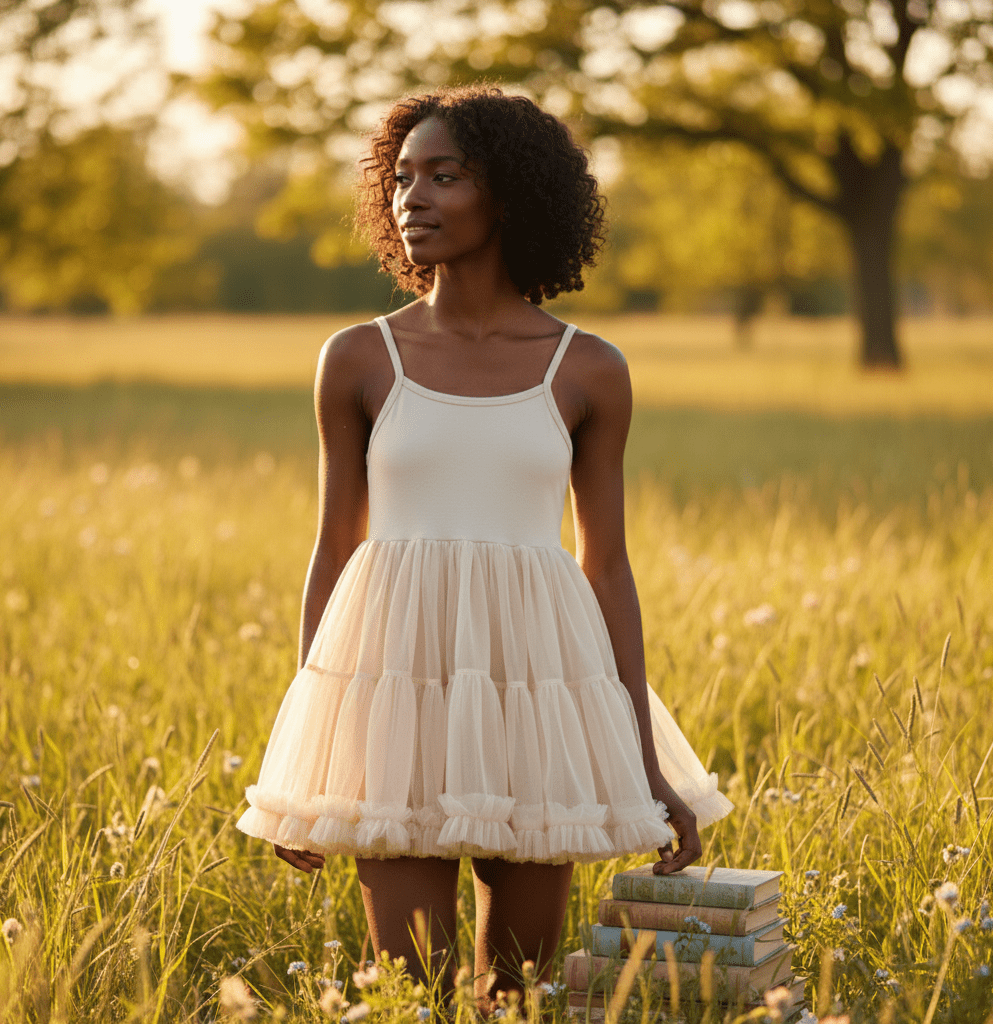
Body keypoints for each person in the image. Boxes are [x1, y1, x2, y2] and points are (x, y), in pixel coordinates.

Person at [235, 84, 733, 1009]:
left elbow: (606, 566)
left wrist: (642, 755)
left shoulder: (588, 369)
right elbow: (334, 551)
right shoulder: (357, 358)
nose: (409, 197)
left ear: (505, 195)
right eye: (400, 178)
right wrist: (305, 748)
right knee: (409, 988)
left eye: (443, 176)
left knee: (522, 991)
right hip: (396, 688)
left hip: (538, 687)